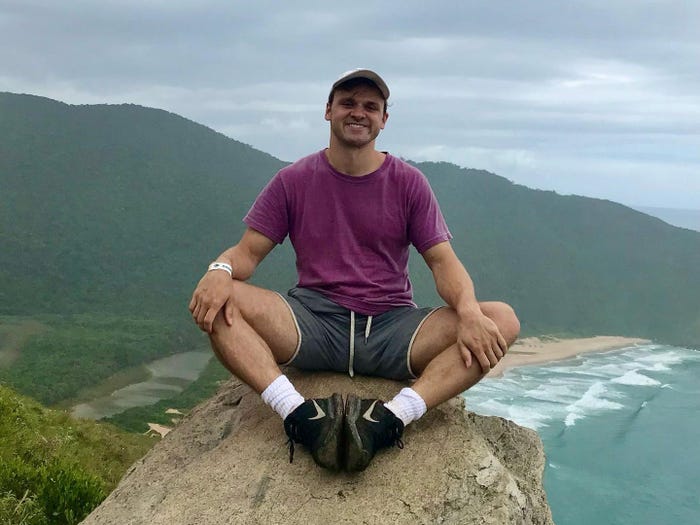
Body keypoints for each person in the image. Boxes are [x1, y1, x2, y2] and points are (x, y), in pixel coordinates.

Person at [189, 68, 520, 472]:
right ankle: (301, 416)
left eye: (371, 106)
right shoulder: (293, 180)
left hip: (392, 328)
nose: (358, 113)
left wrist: (468, 312)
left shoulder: (408, 183)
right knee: (224, 297)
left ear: (384, 119)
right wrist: (219, 269)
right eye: (348, 103)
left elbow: (442, 261)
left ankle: (388, 419)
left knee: (500, 319)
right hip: (313, 322)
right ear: (328, 111)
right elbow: (247, 253)